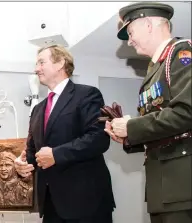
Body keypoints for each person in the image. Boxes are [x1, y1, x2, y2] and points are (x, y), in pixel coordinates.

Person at [104, 2, 192, 223]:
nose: (129, 40)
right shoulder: (155, 68)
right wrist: (127, 136)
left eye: (131, 31)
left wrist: (132, 127)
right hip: (163, 187)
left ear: (149, 24)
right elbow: (161, 128)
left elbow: (186, 112)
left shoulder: (182, 53)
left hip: (182, 184)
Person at [14, 44, 115, 223]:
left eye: (41, 62)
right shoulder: (38, 109)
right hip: (51, 205)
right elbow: (33, 151)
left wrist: (56, 154)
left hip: (86, 202)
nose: (36, 69)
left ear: (60, 63)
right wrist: (23, 165)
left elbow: (98, 139)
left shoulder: (87, 95)